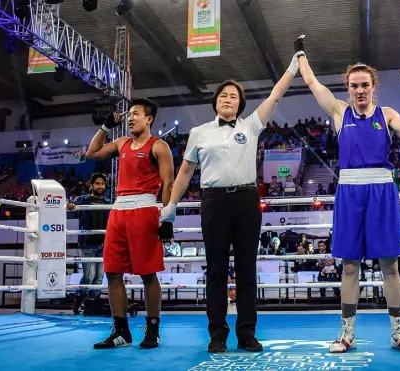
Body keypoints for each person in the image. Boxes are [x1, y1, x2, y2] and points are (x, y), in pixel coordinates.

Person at [160, 49, 302, 353]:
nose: (227, 99)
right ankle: (217, 336)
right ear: (215, 101)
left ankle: (247, 334)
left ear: (240, 104)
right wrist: (171, 205)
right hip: (213, 202)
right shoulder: (199, 133)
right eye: (223, 95)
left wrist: (291, 68)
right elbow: (185, 172)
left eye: (233, 96)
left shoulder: (250, 126)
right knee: (215, 270)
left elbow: (274, 98)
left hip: (247, 200)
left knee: (247, 269)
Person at [297, 35, 400, 352]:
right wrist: (299, 53)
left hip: (382, 191)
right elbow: (311, 82)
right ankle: (346, 333)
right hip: (350, 192)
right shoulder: (340, 112)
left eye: (365, 84)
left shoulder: (389, 114)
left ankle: (399, 333)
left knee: (390, 266)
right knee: (350, 266)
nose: (360, 90)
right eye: (354, 85)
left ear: (373, 86)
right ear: (348, 88)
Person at [85, 97, 174, 349]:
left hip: (145, 210)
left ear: (149, 119)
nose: (130, 117)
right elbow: (91, 152)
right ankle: (121, 331)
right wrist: (104, 127)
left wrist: (167, 218)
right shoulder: (122, 142)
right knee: (112, 271)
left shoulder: (159, 147)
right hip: (119, 210)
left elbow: (168, 183)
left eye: (136, 113)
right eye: (129, 114)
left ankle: (153, 329)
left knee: (147, 273)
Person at [67, 173, 111, 315]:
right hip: (88, 244)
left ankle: (92, 306)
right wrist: (70, 205)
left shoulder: (107, 202)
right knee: (89, 277)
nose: (100, 186)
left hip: (104, 244)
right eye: (97, 183)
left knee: (99, 278)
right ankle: (78, 301)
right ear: (91, 185)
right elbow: (70, 205)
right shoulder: (83, 200)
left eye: (102, 184)